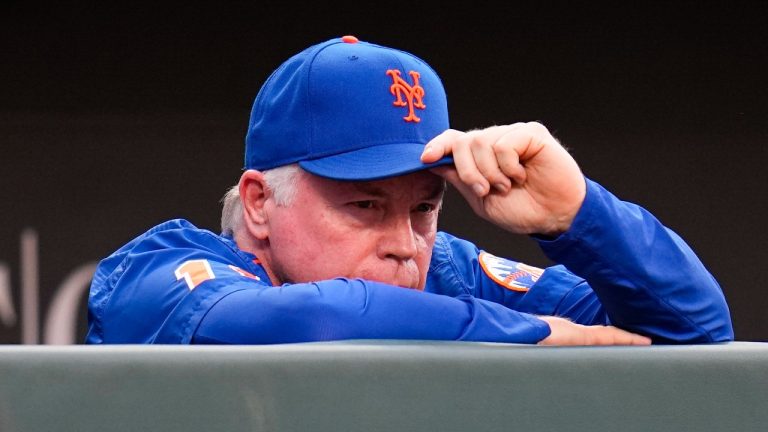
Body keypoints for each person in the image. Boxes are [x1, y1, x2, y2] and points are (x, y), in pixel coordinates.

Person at [86, 36, 733, 345]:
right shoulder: (162, 270)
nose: (404, 245)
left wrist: (580, 217)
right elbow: (319, 319)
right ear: (259, 202)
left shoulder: (443, 271)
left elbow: (697, 335)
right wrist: (536, 334)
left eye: (424, 208)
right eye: (364, 205)